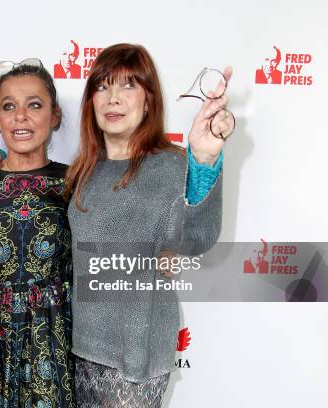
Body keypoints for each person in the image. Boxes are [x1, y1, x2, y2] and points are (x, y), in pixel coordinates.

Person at [64, 43, 231, 407]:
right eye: (103, 86)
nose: (113, 98)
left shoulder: (169, 166)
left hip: (134, 359)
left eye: (128, 86)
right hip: (80, 349)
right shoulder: (83, 171)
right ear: (91, 100)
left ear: (148, 101)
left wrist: (202, 160)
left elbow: (194, 237)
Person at [0, 59, 75, 407]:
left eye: (34, 105)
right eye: (9, 106)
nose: (20, 116)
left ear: (54, 116)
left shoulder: (73, 182)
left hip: (56, 334)